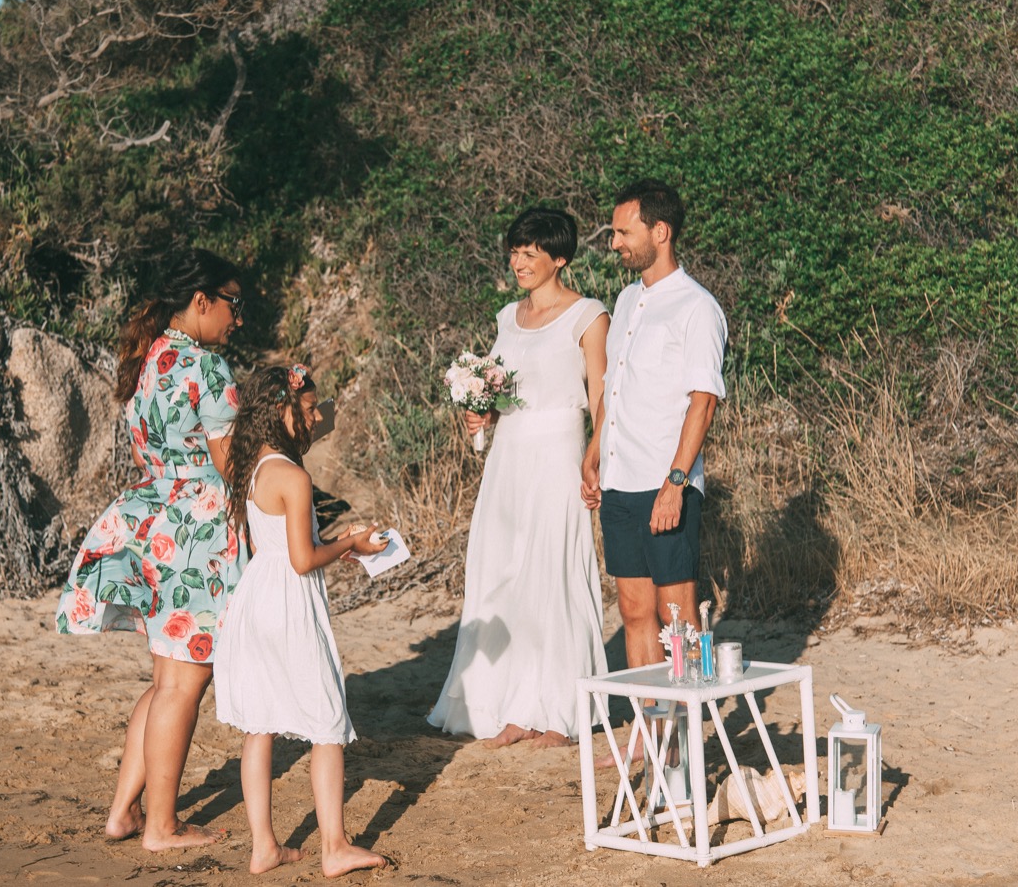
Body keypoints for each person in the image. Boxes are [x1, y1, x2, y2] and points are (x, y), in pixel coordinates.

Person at [55, 249, 246, 851]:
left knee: (166, 679)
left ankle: (124, 813)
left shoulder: (150, 359)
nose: (237, 319)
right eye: (232, 305)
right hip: (198, 533)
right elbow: (232, 468)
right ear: (202, 301)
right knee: (184, 686)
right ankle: (162, 826)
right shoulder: (208, 369)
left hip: (153, 521)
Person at [427, 207, 609, 748]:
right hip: (507, 457)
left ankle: (555, 712)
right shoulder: (508, 317)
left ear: (560, 258)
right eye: (515, 251)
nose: (520, 262)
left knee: (549, 575)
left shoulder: (589, 315)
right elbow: (504, 390)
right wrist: (481, 413)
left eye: (532, 252)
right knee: (502, 572)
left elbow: (601, 397)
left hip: (557, 452)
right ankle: (511, 706)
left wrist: (597, 454)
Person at [212, 364, 390, 877]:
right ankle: (333, 847)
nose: (316, 417)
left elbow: (286, 548)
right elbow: (303, 560)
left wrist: (343, 548)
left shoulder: (254, 467)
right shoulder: (295, 476)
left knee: (260, 726)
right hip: (289, 604)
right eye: (309, 409)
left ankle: (264, 846)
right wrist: (352, 543)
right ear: (282, 411)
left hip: (256, 601)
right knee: (327, 719)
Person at [582, 179, 727, 678]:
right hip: (620, 483)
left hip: (666, 483)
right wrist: (594, 450)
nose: (615, 242)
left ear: (660, 231)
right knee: (634, 612)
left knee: (679, 618)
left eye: (624, 232)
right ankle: (649, 737)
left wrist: (676, 484)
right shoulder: (625, 301)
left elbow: (703, 402)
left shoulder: (697, 307)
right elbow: (613, 386)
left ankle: (685, 740)